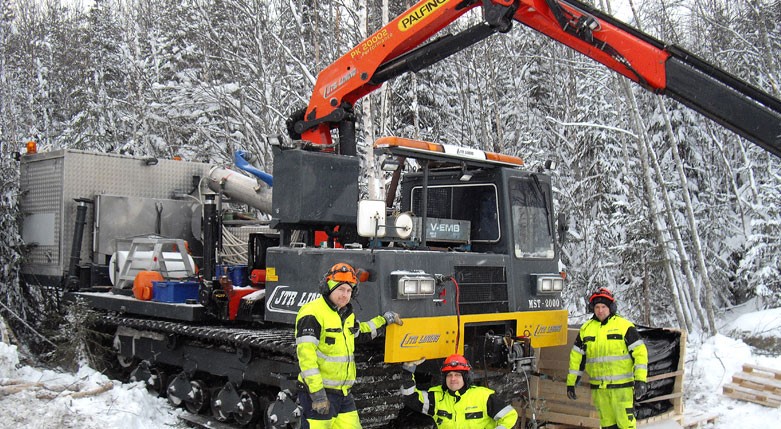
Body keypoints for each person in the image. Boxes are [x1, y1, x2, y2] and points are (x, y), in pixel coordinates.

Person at [295, 262, 403, 429]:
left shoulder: (345, 314)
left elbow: (361, 332)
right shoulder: (312, 313)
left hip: (343, 393)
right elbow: (306, 357)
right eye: (340, 289)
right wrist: (317, 394)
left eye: (348, 290)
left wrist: (384, 320)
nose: (345, 295)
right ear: (328, 288)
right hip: (319, 393)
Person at [567, 287, 649, 429]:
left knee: (626, 425)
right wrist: (571, 383)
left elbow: (640, 354)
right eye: (597, 307)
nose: (600, 311)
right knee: (607, 425)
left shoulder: (624, 326)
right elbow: (577, 358)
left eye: (603, 307)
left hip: (622, 389)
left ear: (611, 307)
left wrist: (641, 380)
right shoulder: (586, 329)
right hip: (600, 390)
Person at [400, 353, 518, 428]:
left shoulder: (482, 396)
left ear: (465, 378)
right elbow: (411, 398)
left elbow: (510, 415)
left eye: (457, 375)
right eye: (449, 375)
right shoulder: (436, 397)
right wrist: (407, 372)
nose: (453, 379)